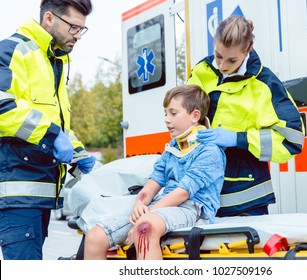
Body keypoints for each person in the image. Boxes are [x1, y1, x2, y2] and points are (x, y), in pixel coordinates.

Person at [81, 84, 226, 260]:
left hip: (194, 208)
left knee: (145, 227)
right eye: (166, 113)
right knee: (94, 237)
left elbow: (183, 193)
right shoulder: (173, 147)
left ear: (195, 115)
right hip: (161, 205)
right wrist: (139, 204)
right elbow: (154, 181)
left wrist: (147, 214)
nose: (167, 119)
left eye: (173, 113)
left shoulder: (210, 151)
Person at [0, 0, 95, 260]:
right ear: (50, 19)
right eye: (73, 28)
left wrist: (77, 151)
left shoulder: (52, 60)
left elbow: (55, 121)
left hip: (37, 193)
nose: (78, 36)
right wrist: (53, 136)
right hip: (18, 193)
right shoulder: (12, 50)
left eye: (82, 29)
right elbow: (2, 107)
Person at [187, 15, 305, 217]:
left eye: (232, 60)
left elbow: (292, 139)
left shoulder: (265, 84)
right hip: (201, 196)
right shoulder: (201, 71)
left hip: (246, 201)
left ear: (248, 50)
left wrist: (238, 139)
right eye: (218, 55)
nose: (223, 65)